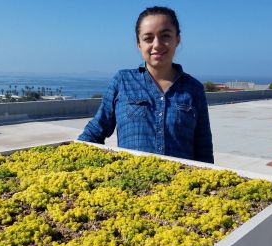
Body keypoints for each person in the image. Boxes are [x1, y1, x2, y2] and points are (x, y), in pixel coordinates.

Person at [78, 6, 214, 163]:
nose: (157, 44)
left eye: (165, 36)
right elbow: (95, 131)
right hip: (132, 185)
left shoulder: (194, 89)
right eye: (148, 38)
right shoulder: (123, 81)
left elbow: (203, 150)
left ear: (177, 39)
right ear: (139, 44)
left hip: (181, 186)